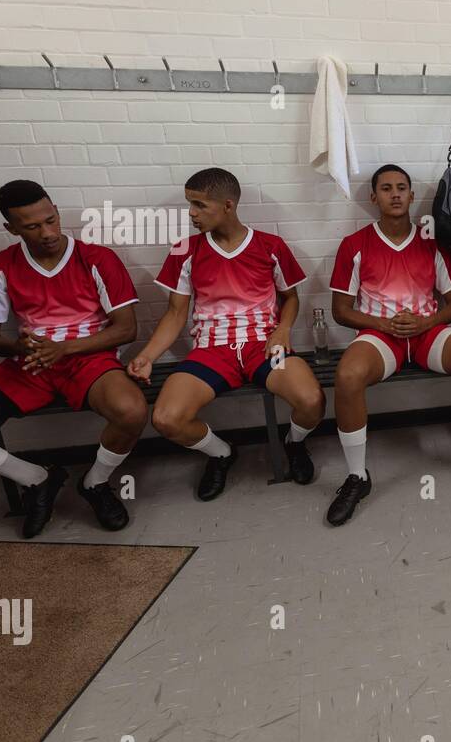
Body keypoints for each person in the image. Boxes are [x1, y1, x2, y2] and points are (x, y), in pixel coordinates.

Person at [0, 180, 146, 537]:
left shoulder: (97, 258)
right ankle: (37, 479)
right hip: (30, 364)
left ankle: (95, 483)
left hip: (87, 358)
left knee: (132, 410)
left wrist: (64, 349)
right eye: (32, 226)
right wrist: (21, 347)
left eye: (51, 219)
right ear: (11, 228)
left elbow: (125, 330)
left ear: (56, 211)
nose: (47, 232)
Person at [324, 164, 451, 526]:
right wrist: (383, 323)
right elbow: (340, 310)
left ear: (413, 196)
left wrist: (425, 321)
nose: (395, 194)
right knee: (348, 376)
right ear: (373, 197)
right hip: (380, 335)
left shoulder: (433, 242)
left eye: (402, 187)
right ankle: (357, 478)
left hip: (426, 331)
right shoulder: (354, 244)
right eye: (386, 188)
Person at [129, 168, 325, 500]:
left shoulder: (270, 245)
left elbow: (290, 298)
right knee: (166, 419)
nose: (191, 213)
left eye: (199, 205)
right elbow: (176, 313)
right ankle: (221, 453)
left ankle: (295, 443)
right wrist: (147, 356)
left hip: (264, 344)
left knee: (311, 400)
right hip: (211, 349)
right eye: (190, 204)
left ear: (228, 205)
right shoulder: (184, 250)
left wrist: (282, 330)